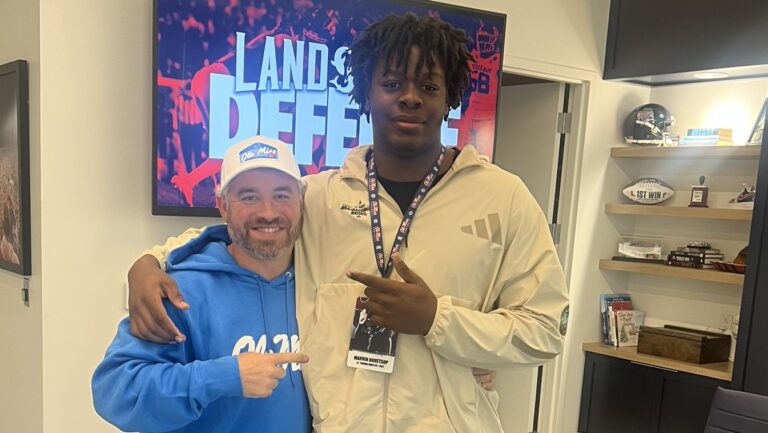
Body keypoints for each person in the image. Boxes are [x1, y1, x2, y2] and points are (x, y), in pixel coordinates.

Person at [128, 13, 569, 433]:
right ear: (365, 92)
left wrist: (439, 320)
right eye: (392, 83)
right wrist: (150, 261)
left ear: (450, 97)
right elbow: (246, 226)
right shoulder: (319, 196)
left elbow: (545, 330)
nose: (410, 97)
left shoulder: (504, 198)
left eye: (429, 85)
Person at [92, 136, 312, 433]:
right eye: (249, 197)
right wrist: (224, 376)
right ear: (223, 206)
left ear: (301, 202)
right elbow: (116, 390)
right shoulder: (181, 290)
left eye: (282, 195)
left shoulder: (320, 280)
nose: (268, 211)